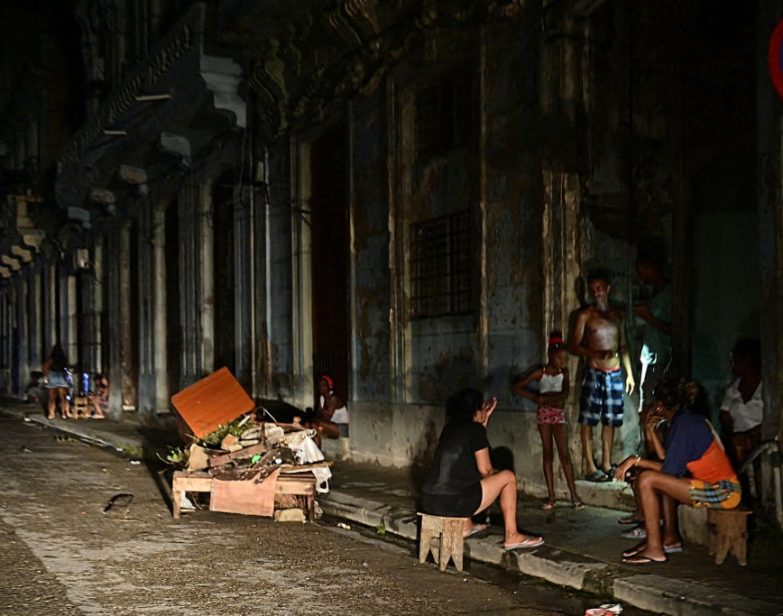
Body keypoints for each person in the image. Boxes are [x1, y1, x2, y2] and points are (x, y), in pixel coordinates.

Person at [613, 378, 741, 565]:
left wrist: (635, 460)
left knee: (647, 479)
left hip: (724, 492)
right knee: (654, 477)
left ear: (659, 406)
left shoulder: (686, 424)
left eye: (654, 402)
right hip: (713, 487)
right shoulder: (682, 421)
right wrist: (650, 430)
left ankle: (654, 548)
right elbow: (668, 461)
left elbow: (670, 469)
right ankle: (668, 538)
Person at [421, 388, 544, 550]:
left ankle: (465, 527)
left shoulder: (450, 428)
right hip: (450, 504)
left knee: (464, 481)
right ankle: (512, 535)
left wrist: (483, 422)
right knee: (508, 477)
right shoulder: (475, 430)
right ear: (476, 410)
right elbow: (486, 470)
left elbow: (472, 444)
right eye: (482, 408)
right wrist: (498, 479)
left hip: (429, 501)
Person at [568, 270, 635, 481]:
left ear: (607, 289)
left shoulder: (618, 315)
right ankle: (589, 465)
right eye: (592, 289)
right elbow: (573, 345)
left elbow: (623, 346)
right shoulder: (585, 315)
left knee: (611, 419)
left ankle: (606, 463)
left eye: (599, 288)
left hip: (614, 372)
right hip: (594, 371)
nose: (595, 293)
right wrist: (594, 353)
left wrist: (630, 374)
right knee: (588, 418)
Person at [512, 331, 583, 510]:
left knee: (564, 454)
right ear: (551, 356)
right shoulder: (540, 372)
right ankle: (551, 496)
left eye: (565, 358)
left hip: (557, 414)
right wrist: (535, 397)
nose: (563, 361)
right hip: (544, 414)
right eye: (560, 358)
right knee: (547, 453)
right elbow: (517, 387)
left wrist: (544, 398)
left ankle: (574, 496)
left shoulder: (564, 372)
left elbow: (565, 394)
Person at [633, 250, 672, 412]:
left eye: (642, 272)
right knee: (646, 403)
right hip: (649, 356)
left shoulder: (669, 294)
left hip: (660, 359)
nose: (640, 277)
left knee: (651, 407)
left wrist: (647, 317)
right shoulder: (654, 293)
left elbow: (673, 329)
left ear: (652, 269)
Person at [719, 339, 763, 468]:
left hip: (761, 440)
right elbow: (724, 419)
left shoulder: (767, 387)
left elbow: (773, 420)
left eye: (735, 360)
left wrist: (749, 436)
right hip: (738, 445)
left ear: (747, 361)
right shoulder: (732, 389)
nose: (732, 365)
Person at [308, 374, 349, 446]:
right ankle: (317, 453)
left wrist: (317, 419)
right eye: (320, 386)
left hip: (341, 428)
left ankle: (319, 443)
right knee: (313, 427)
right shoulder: (322, 398)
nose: (322, 388)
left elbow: (326, 417)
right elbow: (318, 414)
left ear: (329, 386)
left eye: (324, 385)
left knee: (315, 425)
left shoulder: (334, 398)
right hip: (329, 426)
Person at [43, 344, 71, 420]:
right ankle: (64, 413)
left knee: (52, 397)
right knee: (63, 397)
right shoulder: (64, 359)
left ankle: (51, 414)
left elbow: (45, 367)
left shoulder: (51, 359)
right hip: (62, 376)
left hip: (53, 375)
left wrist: (46, 377)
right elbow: (67, 368)